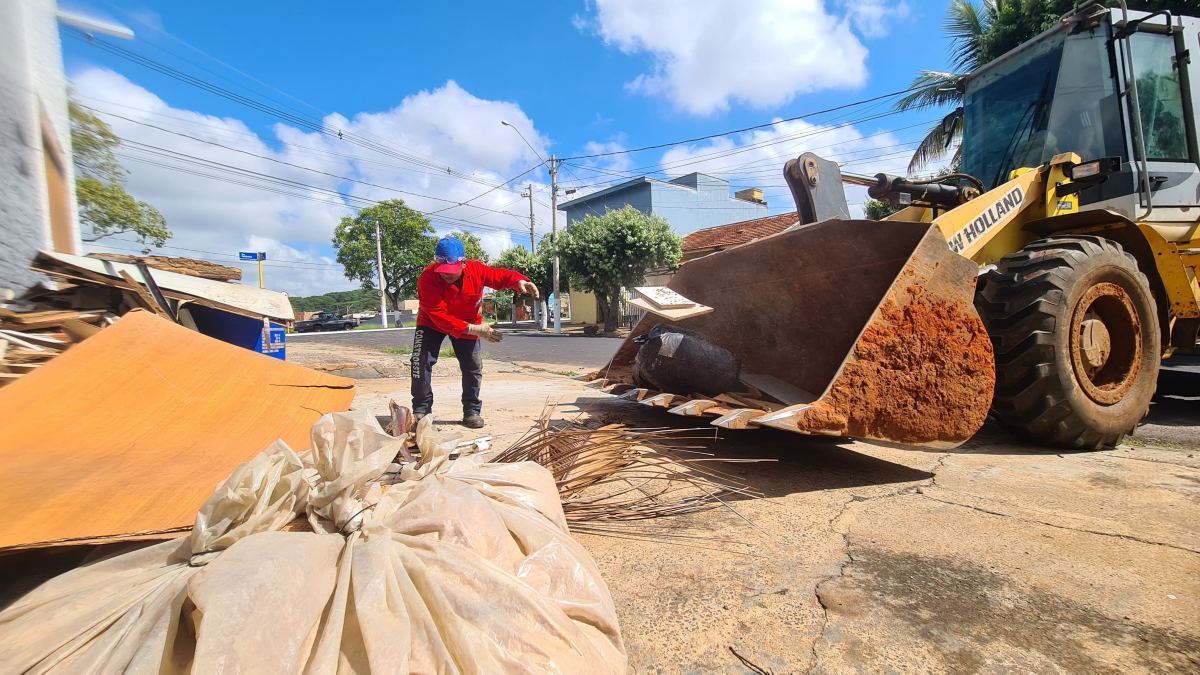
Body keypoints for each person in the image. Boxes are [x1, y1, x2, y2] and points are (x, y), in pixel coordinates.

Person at [412, 235, 539, 429]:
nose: (446, 275)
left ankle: (471, 410)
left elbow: (499, 276)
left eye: (451, 271)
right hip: (432, 322)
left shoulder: (476, 270)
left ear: (463, 263)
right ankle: (421, 410)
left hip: (468, 322)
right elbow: (438, 315)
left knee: (473, 366)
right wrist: (475, 330)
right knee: (419, 361)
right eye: (442, 270)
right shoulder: (427, 278)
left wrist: (518, 281)